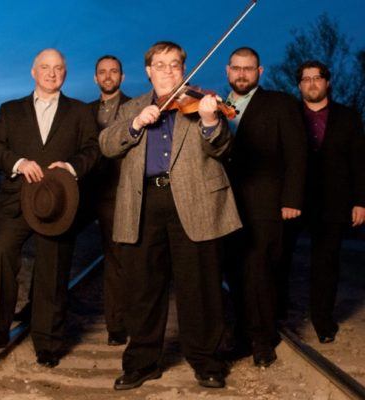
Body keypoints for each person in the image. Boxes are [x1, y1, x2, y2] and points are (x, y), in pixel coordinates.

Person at [99, 41, 241, 390]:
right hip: (145, 201)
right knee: (143, 288)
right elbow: (107, 144)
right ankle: (142, 363)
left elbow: (223, 147)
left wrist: (210, 120)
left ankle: (206, 362)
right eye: (160, 65)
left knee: (200, 287)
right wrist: (135, 125)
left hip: (195, 201)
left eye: (174, 64)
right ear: (148, 71)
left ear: (183, 69)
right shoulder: (130, 107)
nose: (167, 71)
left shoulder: (201, 101)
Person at [0, 48, 99, 367]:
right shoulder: (10, 110)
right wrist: (18, 162)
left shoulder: (80, 112)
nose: (51, 73)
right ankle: (0, 326)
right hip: (16, 200)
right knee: (0, 254)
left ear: (65, 73)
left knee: (53, 269)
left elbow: (93, 149)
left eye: (58, 67)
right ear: (33, 72)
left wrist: (71, 167)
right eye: (45, 67)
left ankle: (48, 342)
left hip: (57, 204)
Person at [223, 47, 307, 367]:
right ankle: (242, 336)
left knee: (260, 273)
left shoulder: (280, 103)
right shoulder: (215, 106)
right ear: (228, 71)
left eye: (249, 68)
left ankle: (263, 340)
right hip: (226, 206)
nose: (242, 74)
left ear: (260, 72)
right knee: (234, 273)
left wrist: (291, 199)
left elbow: (297, 153)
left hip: (266, 204)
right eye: (237, 68)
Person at [280, 60, 365, 343]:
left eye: (317, 78)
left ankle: (323, 320)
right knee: (281, 257)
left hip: (333, 202)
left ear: (327, 82)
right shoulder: (289, 115)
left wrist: (360, 201)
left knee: (326, 264)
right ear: (299, 85)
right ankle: (278, 313)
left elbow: (359, 161)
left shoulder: (348, 116)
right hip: (293, 199)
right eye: (306, 79)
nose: (312, 83)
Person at [89, 55, 130, 345]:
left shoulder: (134, 107)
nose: (108, 76)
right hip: (84, 190)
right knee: (53, 246)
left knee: (116, 258)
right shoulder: (83, 110)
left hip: (116, 192)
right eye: (102, 72)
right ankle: (36, 311)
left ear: (122, 77)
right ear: (95, 78)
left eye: (113, 71)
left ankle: (116, 325)